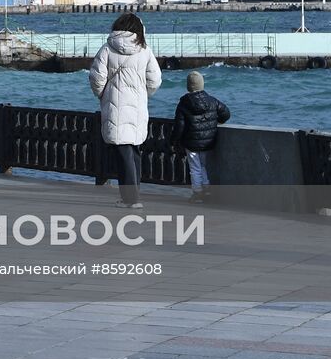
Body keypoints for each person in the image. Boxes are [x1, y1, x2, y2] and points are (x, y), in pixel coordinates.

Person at [89, 12, 162, 210]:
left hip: (114, 105)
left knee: (123, 153)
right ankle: (133, 195)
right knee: (133, 150)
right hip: (137, 107)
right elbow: (155, 80)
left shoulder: (107, 49)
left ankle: (131, 199)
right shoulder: (144, 50)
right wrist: (143, 93)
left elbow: (96, 78)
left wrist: (103, 94)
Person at [171, 71, 231, 202]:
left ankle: (197, 193)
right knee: (203, 166)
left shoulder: (184, 103)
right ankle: (207, 190)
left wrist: (173, 141)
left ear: (188, 86)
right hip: (209, 141)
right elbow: (226, 114)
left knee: (195, 167)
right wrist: (217, 121)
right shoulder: (212, 100)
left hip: (191, 142)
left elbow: (179, 126)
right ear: (202, 85)